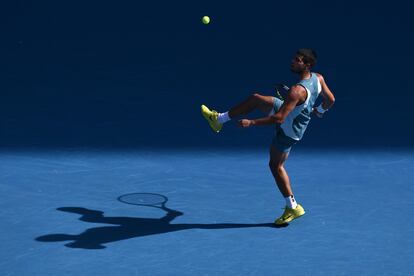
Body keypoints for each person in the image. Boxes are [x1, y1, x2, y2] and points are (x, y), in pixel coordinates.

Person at [201, 48, 336, 225]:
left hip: (290, 129)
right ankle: (219, 119)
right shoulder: (318, 78)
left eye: (297, 60)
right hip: (294, 114)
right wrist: (319, 111)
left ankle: (292, 206)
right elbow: (331, 100)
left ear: (307, 65)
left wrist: (251, 123)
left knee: (275, 165)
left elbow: (279, 118)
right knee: (256, 99)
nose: (292, 62)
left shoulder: (296, 91)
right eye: (294, 58)